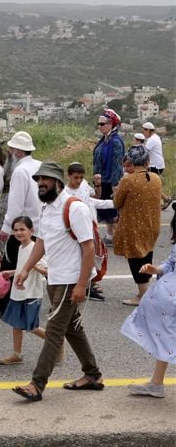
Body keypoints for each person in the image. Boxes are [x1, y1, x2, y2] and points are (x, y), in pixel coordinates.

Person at [11, 161, 104, 403]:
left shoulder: (74, 208)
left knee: (54, 331)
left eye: (46, 180)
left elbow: (88, 248)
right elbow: (41, 241)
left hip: (69, 280)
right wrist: (25, 269)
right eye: (39, 180)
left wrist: (82, 285)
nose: (40, 184)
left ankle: (36, 384)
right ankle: (92, 375)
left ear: (58, 182)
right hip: (55, 278)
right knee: (72, 328)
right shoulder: (47, 208)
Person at [0, 131, 42, 320]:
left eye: (11, 149)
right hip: (38, 224)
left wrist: (7, 227)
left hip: (22, 225)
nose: (8, 152)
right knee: (35, 264)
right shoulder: (39, 166)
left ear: (18, 151)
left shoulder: (20, 171)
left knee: (9, 264)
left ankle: (3, 306)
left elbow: (16, 203)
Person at [121, 211, 176, 399]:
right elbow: (170, 263)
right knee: (166, 335)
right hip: (168, 296)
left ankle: (157, 383)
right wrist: (156, 269)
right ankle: (157, 383)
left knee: (168, 334)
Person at [112, 145, 162, 307]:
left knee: (136, 260)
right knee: (147, 256)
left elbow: (117, 202)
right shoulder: (156, 178)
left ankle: (143, 295)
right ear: (147, 162)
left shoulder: (128, 180)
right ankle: (144, 292)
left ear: (132, 162)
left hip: (133, 226)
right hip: (152, 224)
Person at [0, 216, 50, 366]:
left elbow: (46, 271)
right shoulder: (21, 247)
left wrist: (32, 266)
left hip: (31, 293)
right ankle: (17, 354)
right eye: (15, 230)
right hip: (18, 292)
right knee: (16, 324)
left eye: (22, 229)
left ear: (31, 231)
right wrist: (13, 272)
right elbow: (23, 267)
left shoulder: (35, 248)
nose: (19, 233)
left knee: (31, 326)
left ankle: (56, 342)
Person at [64, 162, 114, 302]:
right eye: (75, 178)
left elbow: (95, 197)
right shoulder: (65, 193)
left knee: (96, 257)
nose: (78, 181)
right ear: (69, 176)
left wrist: (98, 184)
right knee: (84, 257)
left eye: (81, 177)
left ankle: (90, 282)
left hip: (91, 227)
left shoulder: (85, 185)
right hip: (78, 231)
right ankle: (85, 286)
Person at [93, 109, 125, 244]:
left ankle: (118, 236)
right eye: (99, 124)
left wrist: (115, 185)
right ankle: (110, 235)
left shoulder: (116, 141)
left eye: (102, 124)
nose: (100, 126)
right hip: (102, 180)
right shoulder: (104, 140)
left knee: (113, 210)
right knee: (105, 209)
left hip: (111, 181)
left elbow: (117, 164)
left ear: (111, 124)